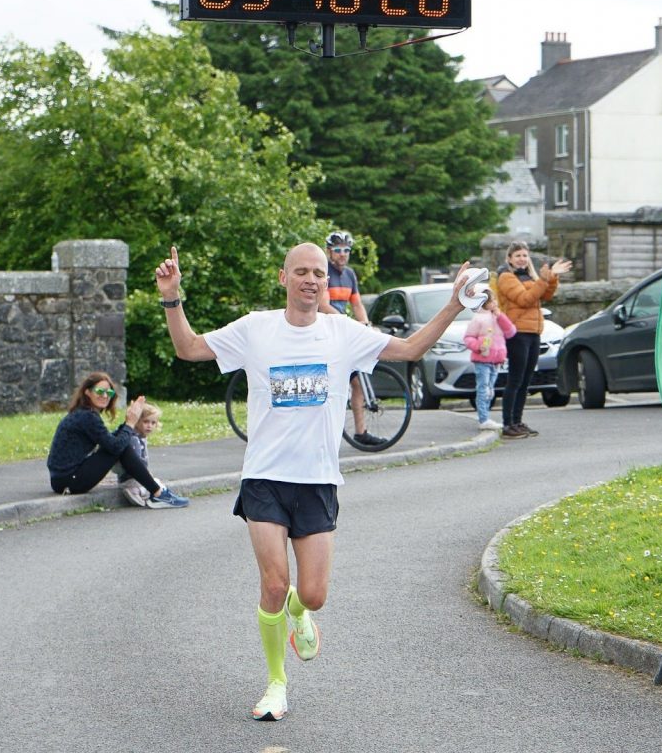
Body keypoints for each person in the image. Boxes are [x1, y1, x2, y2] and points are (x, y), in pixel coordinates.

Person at [155, 242, 470, 722]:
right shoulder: (255, 329)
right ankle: (276, 683)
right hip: (264, 478)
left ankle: (302, 612)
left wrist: (452, 304)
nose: (310, 279)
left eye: (318, 273)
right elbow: (189, 348)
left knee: (314, 593)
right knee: (274, 585)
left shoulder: (343, 333)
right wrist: (172, 298)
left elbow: (409, 349)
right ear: (283, 278)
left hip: (318, 480)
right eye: (300, 272)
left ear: (327, 282)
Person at [46, 371, 189, 508]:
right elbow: (115, 447)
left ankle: (152, 490)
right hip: (69, 481)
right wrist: (130, 423)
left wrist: (128, 422)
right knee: (122, 446)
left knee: (120, 443)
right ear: (87, 392)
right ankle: (157, 493)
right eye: (100, 392)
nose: (105, 396)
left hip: (62, 480)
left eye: (109, 393)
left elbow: (110, 440)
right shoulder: (87, 417)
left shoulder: (84, 413)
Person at [497, 241, 572, 439]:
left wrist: (552, 277)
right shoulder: (506, 277)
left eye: (524, 255)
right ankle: (508, 424)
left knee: (525, 380)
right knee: (515, 378)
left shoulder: (529, 276)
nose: (522, 259)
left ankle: (518, 421)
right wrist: (543, 280)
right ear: (510, 259)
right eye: (518, 256)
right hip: (518, 332)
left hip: (533, 331)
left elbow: (545, 295)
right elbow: (525, 299)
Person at [317, 229, 383, 446]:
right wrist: (350, 324)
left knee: (357, 382)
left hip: (342, 333)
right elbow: (324, 305)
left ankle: (361, 432)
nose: (342, 254)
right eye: (337, 250)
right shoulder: (323, 271)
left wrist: (364, 324)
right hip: (324, 332)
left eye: (346, 250)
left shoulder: (350, 274)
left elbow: (356, 304)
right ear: (329, 252)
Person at [463, 294, 515, 431]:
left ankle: (486, 417)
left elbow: (511, 332)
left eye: (495, 300)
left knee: (490, 390)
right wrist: (479, 346)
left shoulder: (498, 317)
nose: (495, 303)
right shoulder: (478, 318)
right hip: (482, 359)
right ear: (484, 303)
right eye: (492, 301)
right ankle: (483, 418)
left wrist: (500, 316)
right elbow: (468, 338)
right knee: (483, 389)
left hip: (496, 360)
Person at [114, 400, 164, 508]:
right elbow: (136, 462)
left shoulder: (141, 438)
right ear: (137, 421)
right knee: (158, 485)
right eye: (146, 422)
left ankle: (138, 492)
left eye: (153, 423)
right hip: (131, 479)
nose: (149, 426)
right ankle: (138, 491)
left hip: (132, 479)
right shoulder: (134, 439)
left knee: (157, 482)